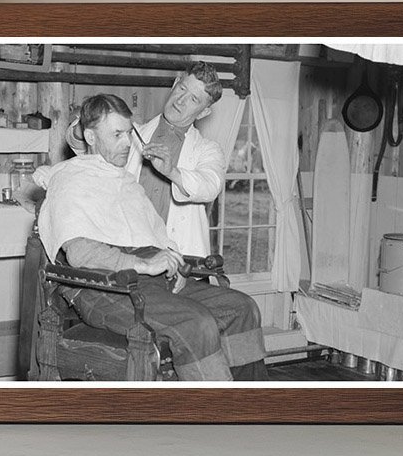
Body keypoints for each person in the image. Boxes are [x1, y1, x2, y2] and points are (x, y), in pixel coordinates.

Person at [35, 94, 267, 382]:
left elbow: (153, 236)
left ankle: (250, 406)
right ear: (91, 137)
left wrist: (176, 262)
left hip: (151, 282)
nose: (126, 143)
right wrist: (143, 265)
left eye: (128, 133)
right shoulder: (70, 181)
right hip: (105, 288)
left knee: (242, 308)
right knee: (197, 323)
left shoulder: (125, 182)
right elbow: (81, 254)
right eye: (116, 134)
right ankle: (215, 416)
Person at [66, 63, 226, 258]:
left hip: (182, 258)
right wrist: (82, 126)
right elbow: (86, 148)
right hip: (129, 252)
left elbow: (210, 186)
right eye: (182, 88)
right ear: (175, 83)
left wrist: (171, 171)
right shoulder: (133, 135)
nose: (181, 100)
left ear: (203, 112)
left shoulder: (208, 150)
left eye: (193, 99)